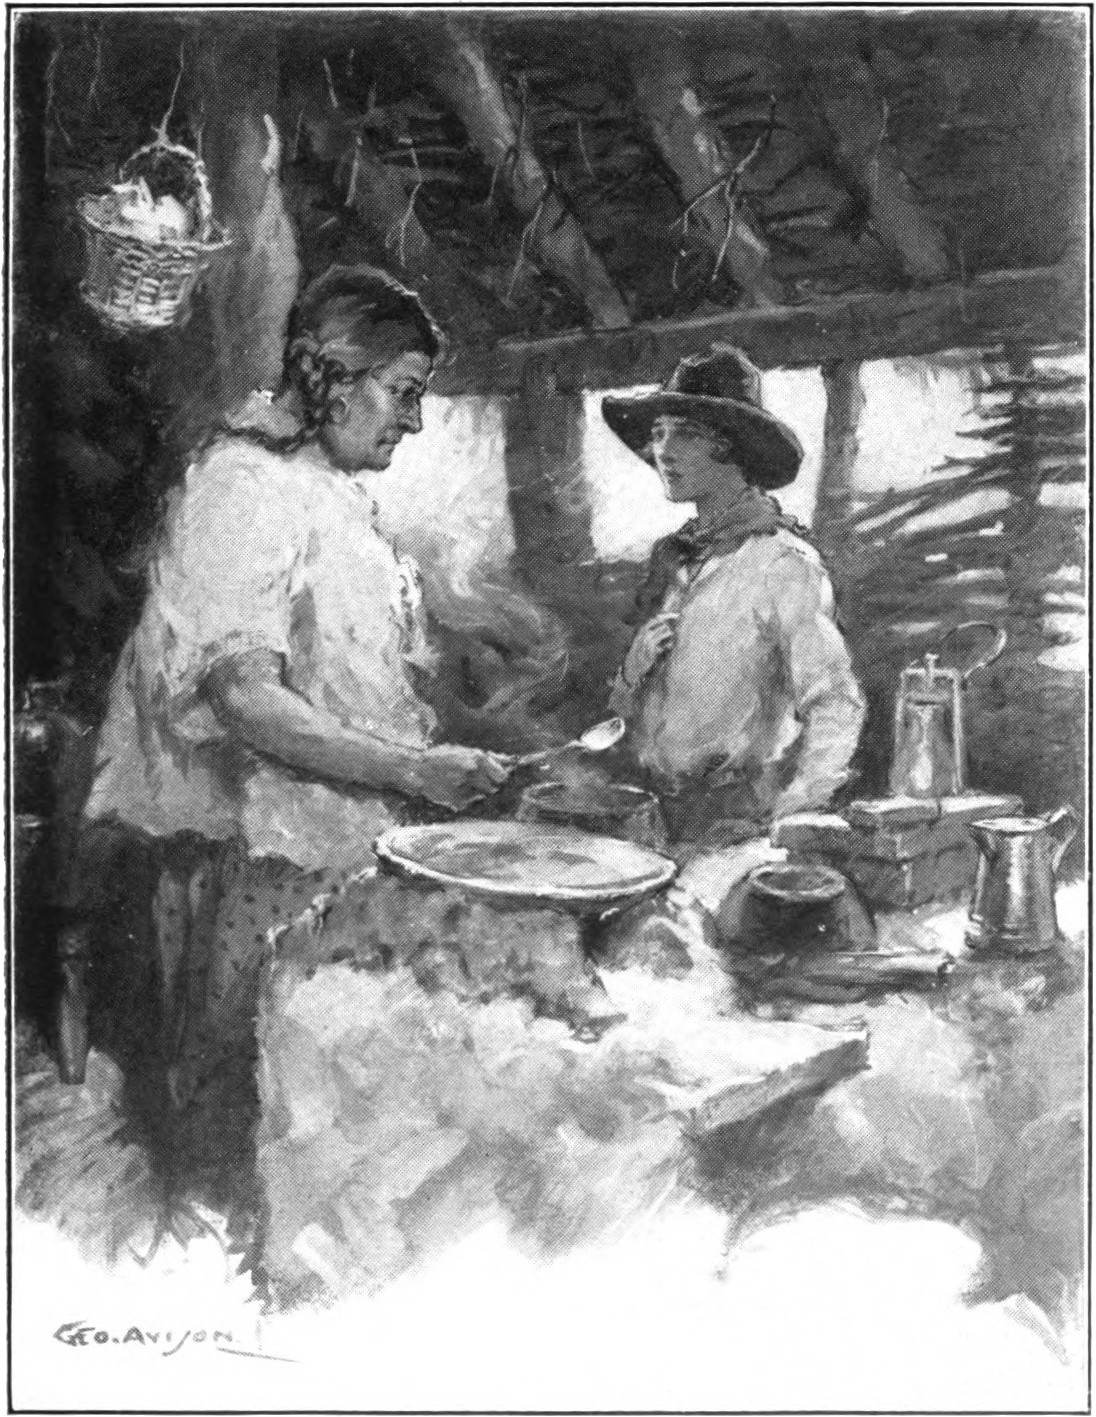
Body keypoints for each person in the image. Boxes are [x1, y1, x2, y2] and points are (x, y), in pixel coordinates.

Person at [79, 264, 513, 1220]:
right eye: (403, 393)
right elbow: (245, 699)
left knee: (321, 1105)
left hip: (328, 847)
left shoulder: (332, 493)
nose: (413, 420)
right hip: (244, 859)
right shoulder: (240, 488)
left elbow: (344, 674)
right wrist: (408, 768)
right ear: (329, 376)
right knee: (240, 1117)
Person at [600, 348, 865, 924]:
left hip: (737, 842)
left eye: (685, 434)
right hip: (652, 828)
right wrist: (631, 672)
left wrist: (789, 823)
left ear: (732, 448)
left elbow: (835, 704)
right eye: (660, 433)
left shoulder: (783, 564)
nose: (661, 451)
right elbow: (625, 717)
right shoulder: (676, 561)